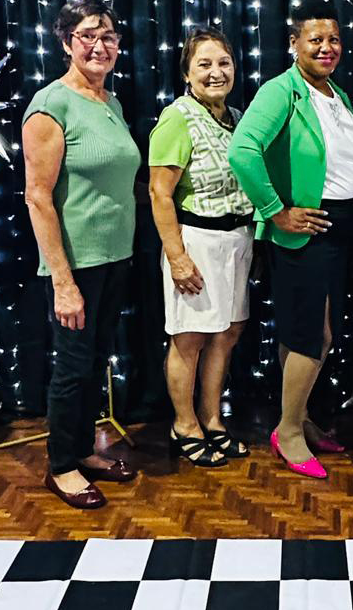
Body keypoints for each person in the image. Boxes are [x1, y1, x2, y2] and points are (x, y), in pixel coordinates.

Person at [228, 0, 353, 479]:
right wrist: (275, 211)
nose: (326, 47)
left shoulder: (336, 93)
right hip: (307, 230)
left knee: (309, 332)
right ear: (294, 44)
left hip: (339, 229)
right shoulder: (281, 91)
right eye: (315, 39)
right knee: (312, 335)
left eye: (333, 39)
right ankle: (288, 431)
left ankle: (300, 417)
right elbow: (243, 150)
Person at [22, 0, 141, 509]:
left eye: (108, 35)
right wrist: (63, 282)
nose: (99, 45)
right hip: (76, 264)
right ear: (67, 43)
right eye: (88, 35)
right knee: (73, 368)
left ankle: (83, 451)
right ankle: (61, 467)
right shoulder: (51, 105)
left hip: (115, 257)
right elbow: (37, 197)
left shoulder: (109, 102)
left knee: (95, 362)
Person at [149, 27, 253, 467]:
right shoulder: (177, 117)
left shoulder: (238, 117)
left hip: (238, 240)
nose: (216, 72)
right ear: (187, 73)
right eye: (204, 64)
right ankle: (184, 424)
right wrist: (177, 258)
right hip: (196, 241)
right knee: (189, 338)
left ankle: (212, 419)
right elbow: (159, 192)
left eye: (223, 63)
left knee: (226, 335)